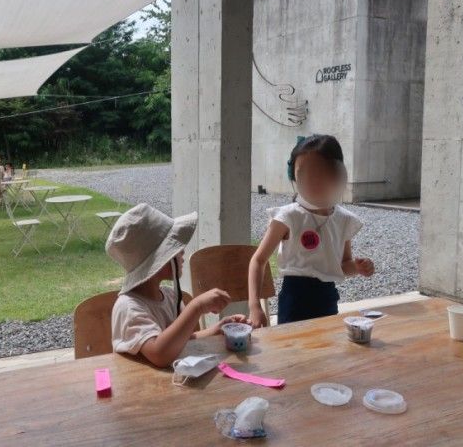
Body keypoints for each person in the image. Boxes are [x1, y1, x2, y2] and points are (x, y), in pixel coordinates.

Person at [247, 134, 375, 326]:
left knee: (324, 351)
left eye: (318, 173)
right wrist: (254, 306)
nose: (311, 181)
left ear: (337, 174)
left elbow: (343, 264)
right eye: (304, 175)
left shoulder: (343, 220)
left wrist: (357, 267)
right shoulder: (288, 216)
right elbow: (258, 260)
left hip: (327, 298)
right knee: (293, 351)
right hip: (294, 299)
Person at [108, 203, 248, 368]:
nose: (182, 252)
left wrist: (219, 328)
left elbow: (183, 341)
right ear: (159, 260)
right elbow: (159, 354)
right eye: (174, 247)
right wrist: (196, 307)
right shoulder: (128, 308)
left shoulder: (169, 296)